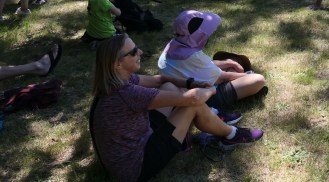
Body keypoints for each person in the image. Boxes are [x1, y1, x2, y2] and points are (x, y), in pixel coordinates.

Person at [91, 34, 262, 182]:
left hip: (134, 145)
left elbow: (160, 80)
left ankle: (193, 133)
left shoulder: (117, 80)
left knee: (170, 87)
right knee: (192, 106)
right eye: (133, 51)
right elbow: (192, 99)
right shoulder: (126, 93)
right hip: (135, 168)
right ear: (117, 64)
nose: (140, 52)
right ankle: (232, 135)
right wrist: (211, 89)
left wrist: (190, 83)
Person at [157, 10, 268, 115]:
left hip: (184, 91)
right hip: (203, 97)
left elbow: (205, 64)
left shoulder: (173, 46)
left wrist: (230, 63)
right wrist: (247, 75)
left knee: (229, 66)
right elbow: (222, 77)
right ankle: (219, 106)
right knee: (258, 80)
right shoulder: (193, 56)